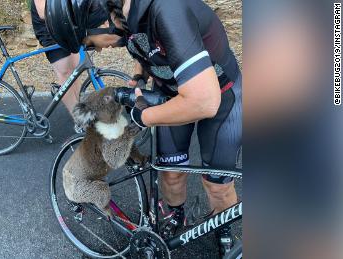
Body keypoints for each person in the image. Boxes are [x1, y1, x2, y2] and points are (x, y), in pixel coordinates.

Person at [45, 0, 242, 255]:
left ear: (103, 21)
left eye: (89, 44)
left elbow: (204, 102)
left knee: (217, 186)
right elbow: (143, 46)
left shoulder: (167, 10)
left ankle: (223, 227)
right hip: (170, 93)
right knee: (170, 174)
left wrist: (143, 117)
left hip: (222, 96)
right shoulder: (126, 17)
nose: (98, 52)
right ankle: (175, 216)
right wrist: (140, 75)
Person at [30, 0, 108, 132]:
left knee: (75, 70)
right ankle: (80, 121)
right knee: (65, 71)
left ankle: (77, 107)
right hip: (50, 28)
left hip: (68, 24)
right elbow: (43, 12)